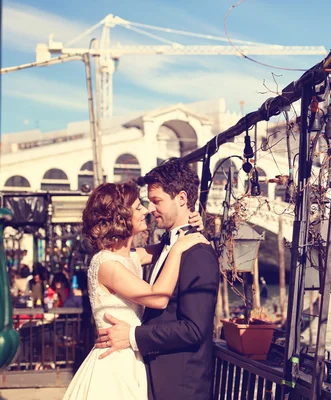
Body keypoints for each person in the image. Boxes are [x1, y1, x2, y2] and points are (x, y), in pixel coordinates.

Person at [63, 181, 207, 400]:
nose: (146, 211)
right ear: (121, 217)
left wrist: (190, 226)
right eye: (138, 207)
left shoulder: (130, 256)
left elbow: (166, 246)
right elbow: (158, 297)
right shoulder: (107, 265)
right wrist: (179, 249)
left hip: (131, 356)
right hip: (115, 364)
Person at [94, 159, 220, 400]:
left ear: (182, 199)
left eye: (156, 201)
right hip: (147, 376)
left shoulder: (198, 253)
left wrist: (133, 336)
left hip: (179, 387)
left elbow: (194, 330)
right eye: (148, 203)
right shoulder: (167, 246)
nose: (150, 209)